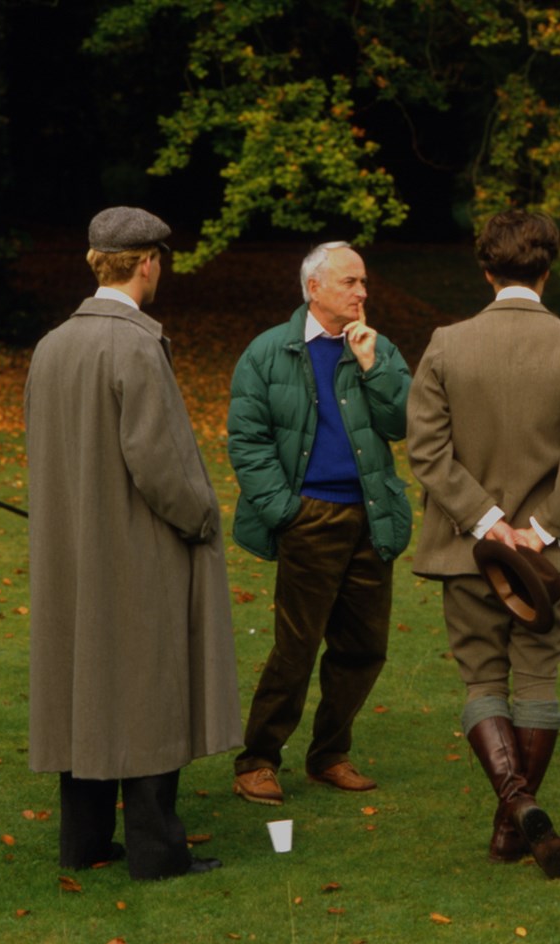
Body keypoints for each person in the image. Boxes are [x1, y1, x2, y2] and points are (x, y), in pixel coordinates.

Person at [24, 206, 242, 880]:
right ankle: (156, 848)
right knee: (147, 684)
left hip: (69, 549)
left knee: (84, 684)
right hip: (134, 547)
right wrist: (203, 517)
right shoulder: (135, 345)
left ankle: (84, 841)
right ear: (148, 262)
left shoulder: (53, 344)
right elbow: (163, 465)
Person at [406, 210, 560, 878]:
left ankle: (513, 814)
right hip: (548, 560)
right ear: (547, 268)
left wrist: (486, 521)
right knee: (538, 678)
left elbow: (428, 452)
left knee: (481, 678)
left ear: (486, 269)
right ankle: (509, 829)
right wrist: (541, 530)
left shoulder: (445, 344)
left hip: (469, 551)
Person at [227, 241, 412, 806]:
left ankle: (329, 755)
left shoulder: (377, 348)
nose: (362, 292)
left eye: (363, 283)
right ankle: (257, 760)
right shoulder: (268, 352)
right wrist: (286, 510)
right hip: (308, 517)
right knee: (296, 648)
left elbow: (404, 421)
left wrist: (371, 364)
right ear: (314, 288)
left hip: (371, 517)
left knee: (363, 648)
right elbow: (247, 441)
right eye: (350, 282)